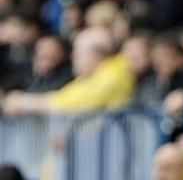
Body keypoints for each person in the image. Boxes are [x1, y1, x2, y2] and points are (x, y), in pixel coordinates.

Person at [1, 26, 135, 116]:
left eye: (77, 52)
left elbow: (67, 103)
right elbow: (65, 95)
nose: (73, 57)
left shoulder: (116, 74)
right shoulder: (93, 76)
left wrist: (24, 103)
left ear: (96, 55)